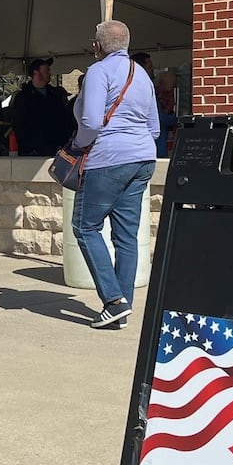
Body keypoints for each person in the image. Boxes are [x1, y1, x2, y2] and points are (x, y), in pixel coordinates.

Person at [72, 19, 159, 330]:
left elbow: (92, 122)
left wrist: (78, 144)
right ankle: (124, 306)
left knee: (85, 226)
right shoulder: (143, 76)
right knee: (126, 235)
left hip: (108, 158)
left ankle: (113, 300)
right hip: (143, 157)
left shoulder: (98, 71)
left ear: (97, 46)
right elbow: (155, 126)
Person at [10, 56, 76, 155]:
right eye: (46, 71)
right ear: (36, 73)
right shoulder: (23, 97)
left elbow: (63, 119)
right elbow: (19, 124)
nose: (49, 73)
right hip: (31, 152)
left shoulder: (54, 94)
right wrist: (30, 147)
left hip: (55, 149)